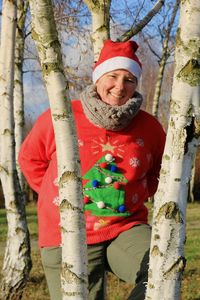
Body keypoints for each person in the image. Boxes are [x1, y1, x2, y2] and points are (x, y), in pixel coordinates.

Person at [18, 39, 166, 300]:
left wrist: (138, 193)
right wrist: (60, 197)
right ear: (98, 77)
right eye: (113, 76)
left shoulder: (149, 127)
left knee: (161, 269)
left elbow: (160, 171)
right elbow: (31, 159)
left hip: (124, 226)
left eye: (129, 79)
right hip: (67, 232)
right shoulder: (63, 116)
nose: (120, 86)